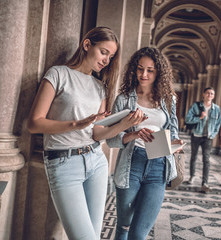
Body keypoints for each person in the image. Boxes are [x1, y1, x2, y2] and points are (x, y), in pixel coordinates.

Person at [27, 27, 145, 240]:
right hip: (63, 163)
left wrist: (126, 124)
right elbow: (34, 124)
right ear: (87, 45)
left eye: (111, 56)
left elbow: (98, 134)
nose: (106, 60)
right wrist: (76, 123)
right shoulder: (58, 74)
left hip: (96, 161)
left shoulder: (100, 86)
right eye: (103, 52)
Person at [106, 47, 183, 239]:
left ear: (159, 72)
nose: (144, 74)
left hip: (159, 165)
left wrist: (175, 144)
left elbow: (172, 131)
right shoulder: (124, 100)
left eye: (150, 70)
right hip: (130, 165)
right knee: (124, 227)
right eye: (140, 69)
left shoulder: (168, 99)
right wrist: (134, 134)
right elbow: (111, 139)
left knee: (138, 234)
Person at [184, 87, 221, 193]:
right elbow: (188, 119)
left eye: (212, 94)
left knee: (206, 159)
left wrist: (213, 135)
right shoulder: (196, 106)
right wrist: (199, 117)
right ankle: (192, 176)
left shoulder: (216, 109)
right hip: (196, 135)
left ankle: (205, 182)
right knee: (194, 156)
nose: (210, 95)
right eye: (208, 93)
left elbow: (218, 124)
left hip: (208, 137)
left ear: (214, 96)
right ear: (203, 94)